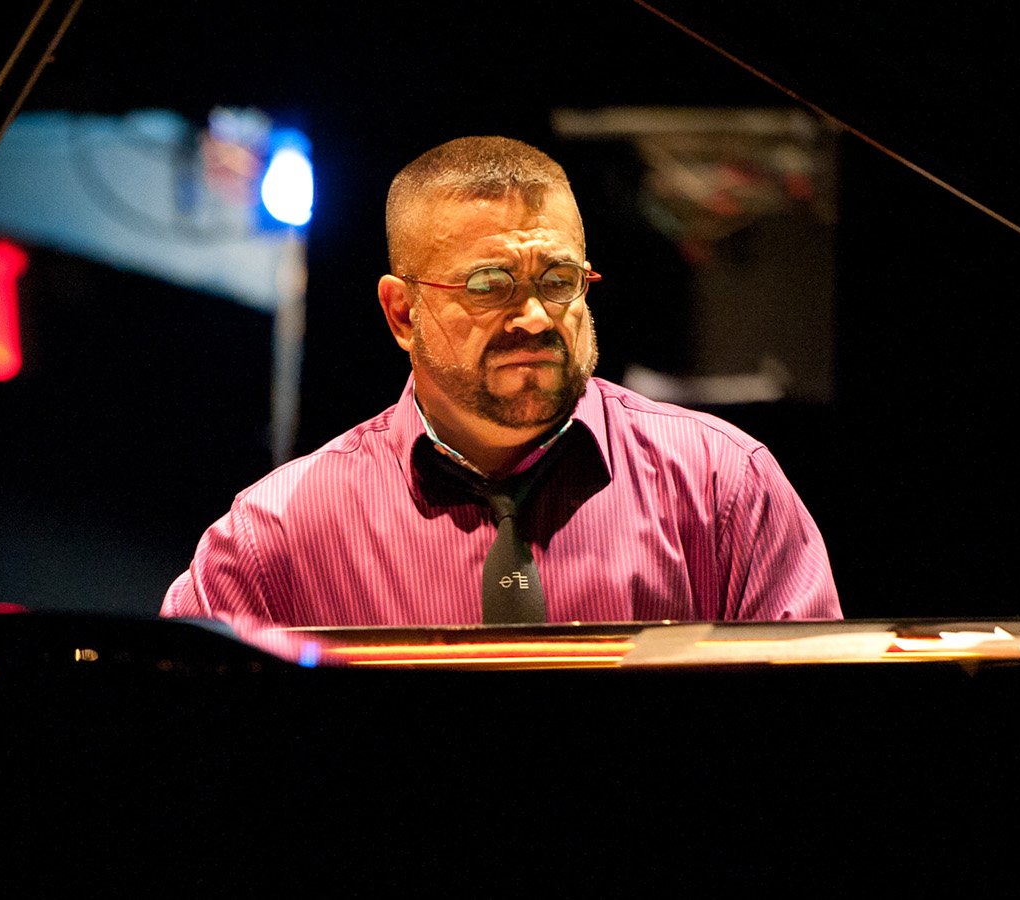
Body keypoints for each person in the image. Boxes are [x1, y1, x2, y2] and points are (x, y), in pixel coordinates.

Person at [161, 135, 840, 628]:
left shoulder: (726, 485)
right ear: (402, 312)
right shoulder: (276, 534)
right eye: (492, 285)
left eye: (559, 280)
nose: (537, 317)